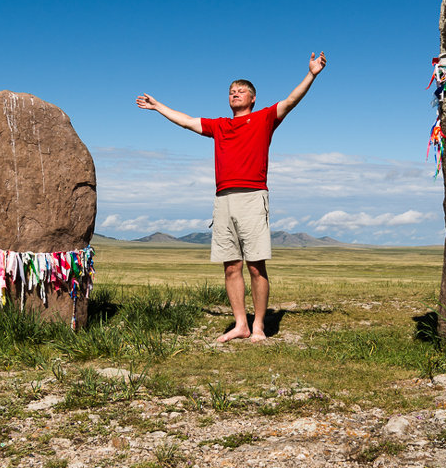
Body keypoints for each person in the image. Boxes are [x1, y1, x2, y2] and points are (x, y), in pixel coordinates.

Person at [136, 52, 327, 342]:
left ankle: (260, 325)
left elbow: (290, 101)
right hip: (223, 199)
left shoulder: (264, 119)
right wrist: (157, 106)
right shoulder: (220, 126)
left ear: (252, 99)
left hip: (252, 196)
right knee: (231, 267)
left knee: (255, 265)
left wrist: (312, 74)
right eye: (231, 91)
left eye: (241, 91)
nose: (234, 94)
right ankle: (241, 324)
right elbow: (187, 121)